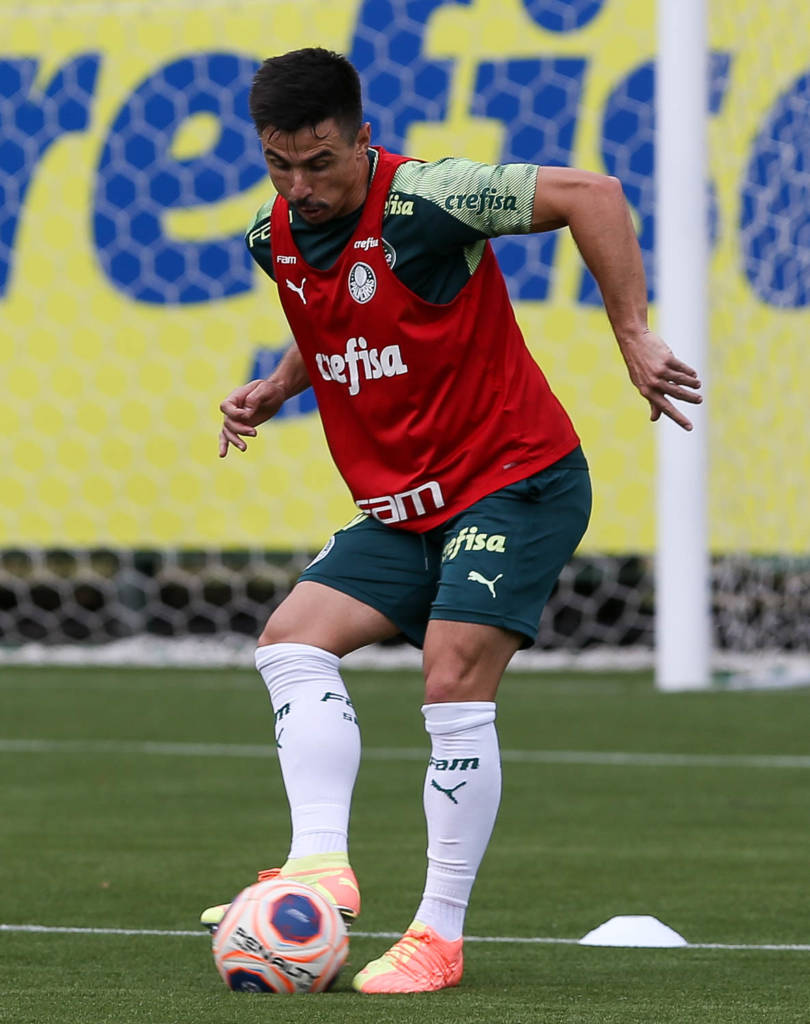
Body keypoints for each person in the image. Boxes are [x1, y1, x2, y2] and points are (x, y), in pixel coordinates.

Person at [204, 47, 702, 993]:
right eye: (279, 164)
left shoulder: (431, 200)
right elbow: (337, 323)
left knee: (452, 674)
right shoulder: (273, 237)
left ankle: (439, 934)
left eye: (320, 162)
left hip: (514, 480)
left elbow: (592, 194)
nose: (300, 186)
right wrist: (276, 386)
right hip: (405, 507)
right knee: (291, 641)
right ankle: (321, 866)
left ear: (363, 139)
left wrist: (633, 333)